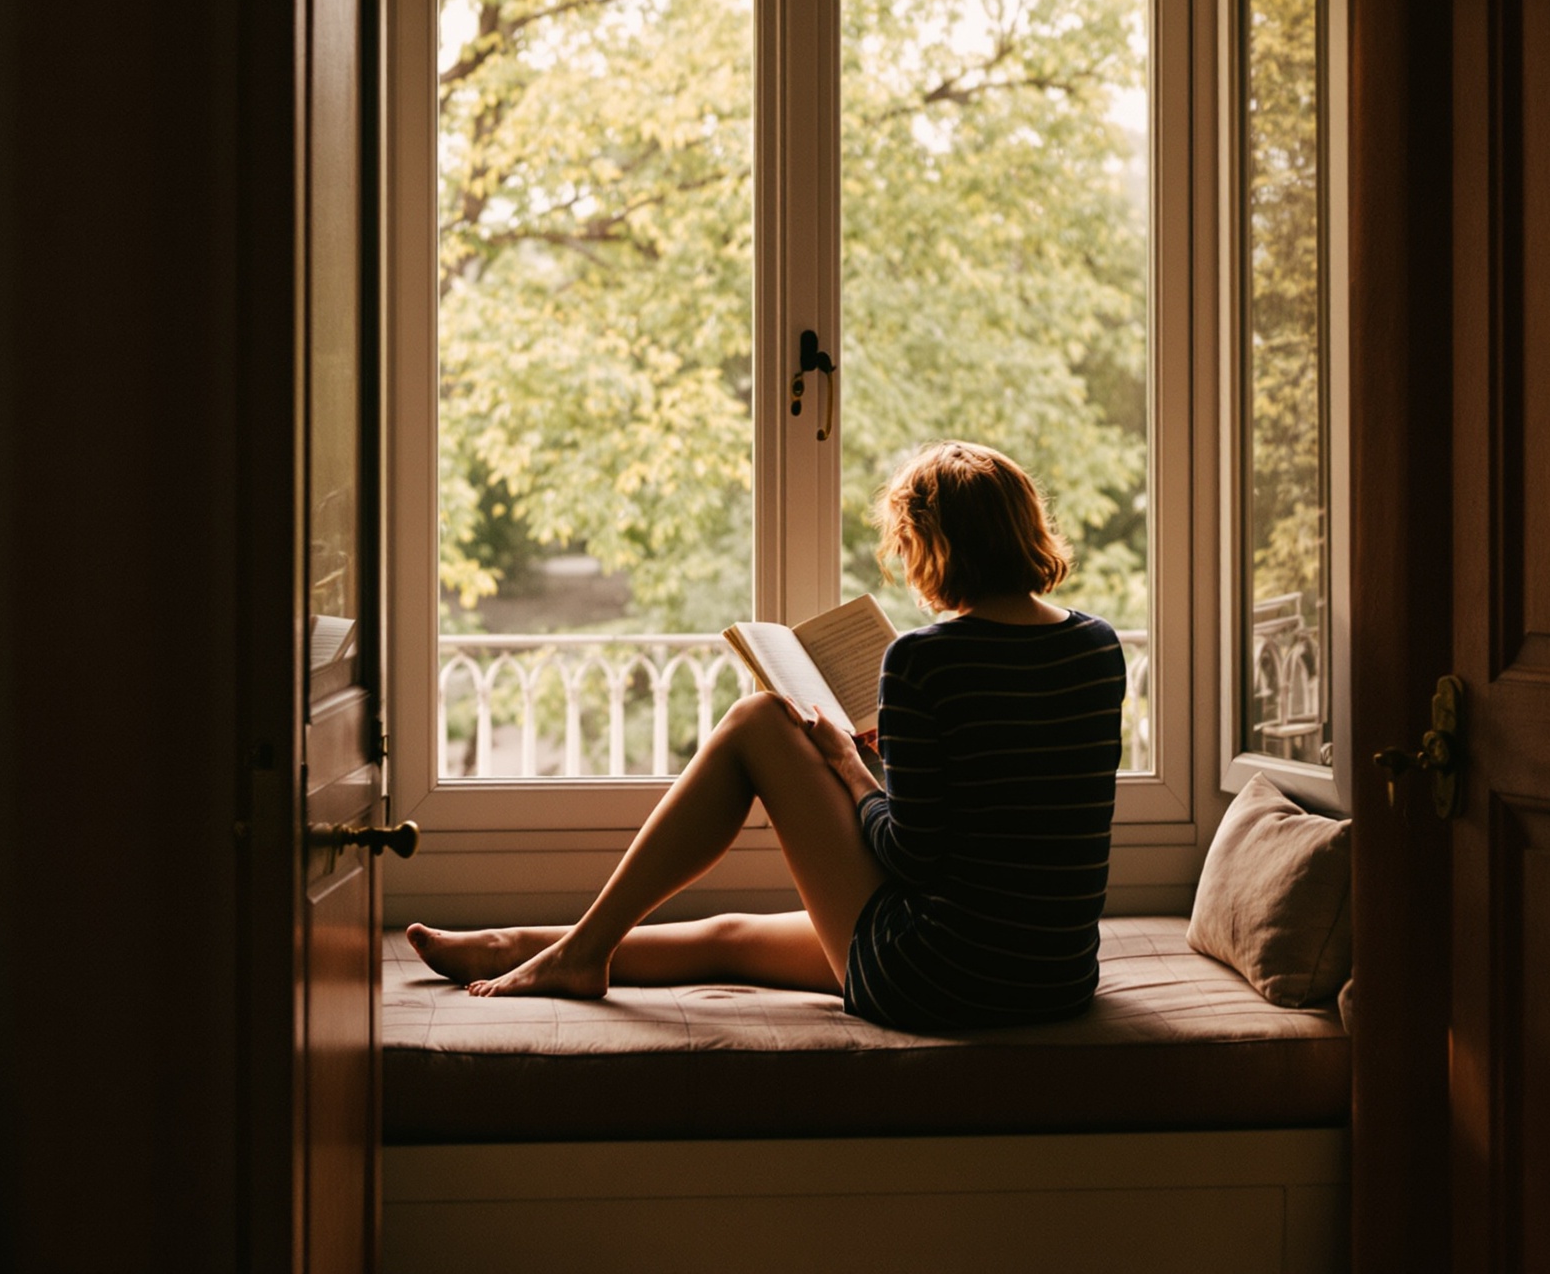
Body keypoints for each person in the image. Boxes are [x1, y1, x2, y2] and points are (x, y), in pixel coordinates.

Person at [408, 440, 1126, 1031]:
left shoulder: (926, 659)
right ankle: (532, 947)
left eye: (904, 544)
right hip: (1051, 975)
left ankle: (581, 949)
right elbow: (1014, 811)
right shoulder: (1098, 646)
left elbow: (912, 856)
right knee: (731, 936)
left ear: (928, 544)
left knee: (756, 720)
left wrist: (850, 766)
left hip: (942, 979)